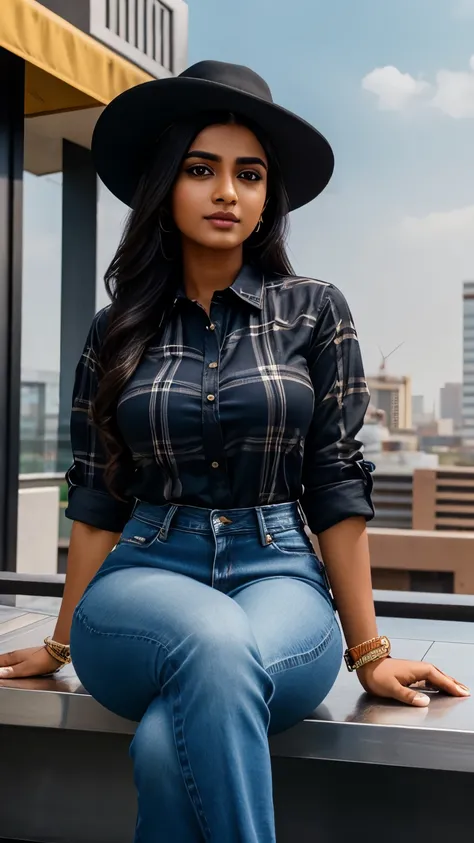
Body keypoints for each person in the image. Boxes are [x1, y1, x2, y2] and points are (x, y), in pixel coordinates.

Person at [0, 61, 469, 843]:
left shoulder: (315, 311)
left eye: (248, 175)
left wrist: (370, 653)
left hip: (280, 572)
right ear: (165, 186)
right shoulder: (117, 327)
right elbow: (97, 493)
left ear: (266, 197)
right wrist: (57, 642)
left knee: (165, 740)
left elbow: (336, 484)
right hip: (143, 574)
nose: (227, 192)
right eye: (201, 170)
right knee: (209, 642)